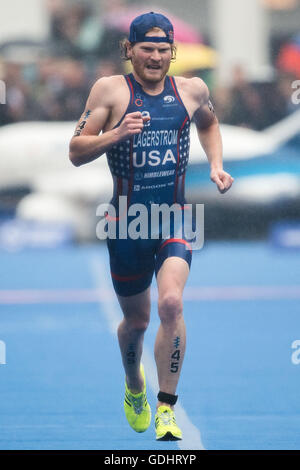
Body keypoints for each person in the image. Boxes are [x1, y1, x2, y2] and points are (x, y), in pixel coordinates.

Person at [69, 12, 234, 441]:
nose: (156, 57)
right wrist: (117, 133)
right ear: (130, 50)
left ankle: (166, 407)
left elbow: (210, 123)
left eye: (163, 50)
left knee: (172, 304)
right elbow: (75, 149)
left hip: (175, 217)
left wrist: (216, 165)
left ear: (172, 52)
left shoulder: (193, 89)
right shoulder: (110, 90)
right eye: (147, 49)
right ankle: (134, 384)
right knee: (137, 323)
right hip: (126, 223)